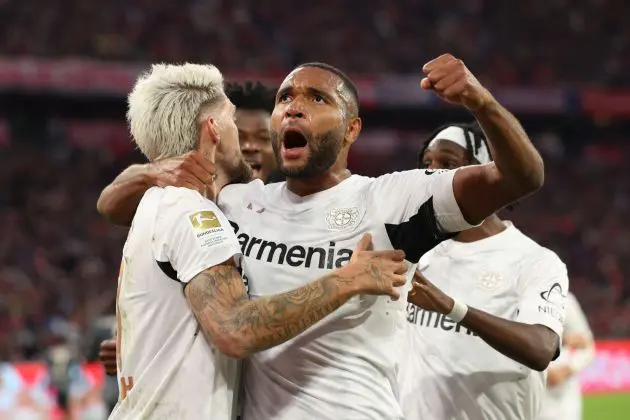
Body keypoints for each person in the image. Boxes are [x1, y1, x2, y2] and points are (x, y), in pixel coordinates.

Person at [97, 54, 546, 419]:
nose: (293, 105)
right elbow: (113, 207)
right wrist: (151, 171)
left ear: (352, 128)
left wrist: (480, 102)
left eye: (316, 98)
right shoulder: (236, 203)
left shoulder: (391, 201)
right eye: (285, 97)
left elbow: (520, 178)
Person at [107, 63, 408, 419]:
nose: (249, 139)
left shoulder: (157, 203)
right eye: (234, 122)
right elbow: (236, 330)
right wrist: (347, 279)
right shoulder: (193, 214)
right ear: (214, 129)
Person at [97, 81, 282, 379]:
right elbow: (109, 204)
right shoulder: (186, 200)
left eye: (262, 137)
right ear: (216, 132)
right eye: (240, 133)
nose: (249, 146)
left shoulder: (284, 210)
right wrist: (151, 172)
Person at [401, 122, 569, 420]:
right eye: (427, 163)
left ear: (484, 173)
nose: (432, 173)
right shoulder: (417, 252)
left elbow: (541, 348)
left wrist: (452, 308)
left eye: (448, 163)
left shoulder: (534, 260)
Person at [539, 292, 595, 420]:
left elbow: (588, 346)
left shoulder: (565, 299)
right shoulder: (516, 297)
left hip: (564, 398)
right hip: (531, 390)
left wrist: (568, 369)